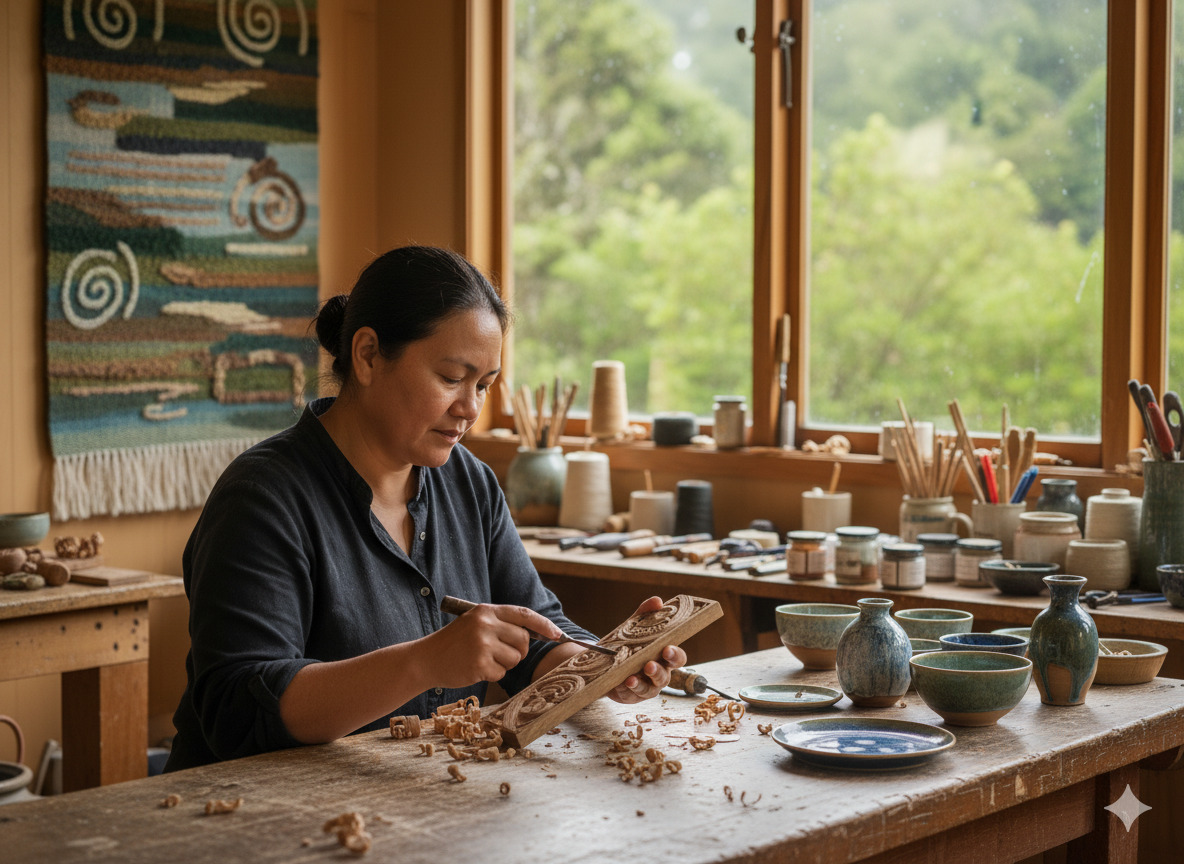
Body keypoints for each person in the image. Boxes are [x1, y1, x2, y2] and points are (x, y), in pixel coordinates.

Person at [164, 245, 686, 771]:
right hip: (249, 815)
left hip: (410, 797)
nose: (471, 409)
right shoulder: (263, 496)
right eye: (451, 378)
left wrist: (609, 667)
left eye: (483, 386)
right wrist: (426, 661)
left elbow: (532, 637)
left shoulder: (469, 481)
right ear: (368, 356)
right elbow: (237, 711)